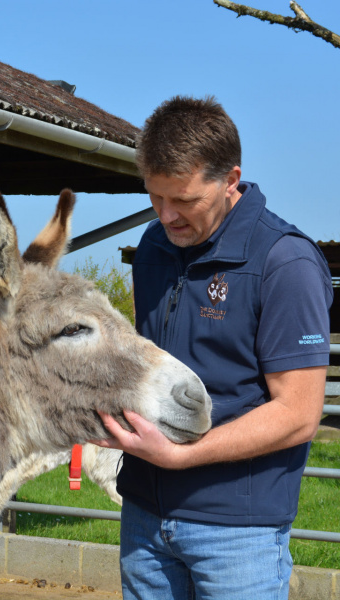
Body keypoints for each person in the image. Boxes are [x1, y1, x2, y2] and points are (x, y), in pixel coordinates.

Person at [94, 96, 333, 600]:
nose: (166, 215)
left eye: (183, 200)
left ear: (230, 180)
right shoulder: (155, 248)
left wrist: (183, 457)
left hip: (236, 532)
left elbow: (299, 413)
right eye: (155, 198)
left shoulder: (285, 262)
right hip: (143, 515)